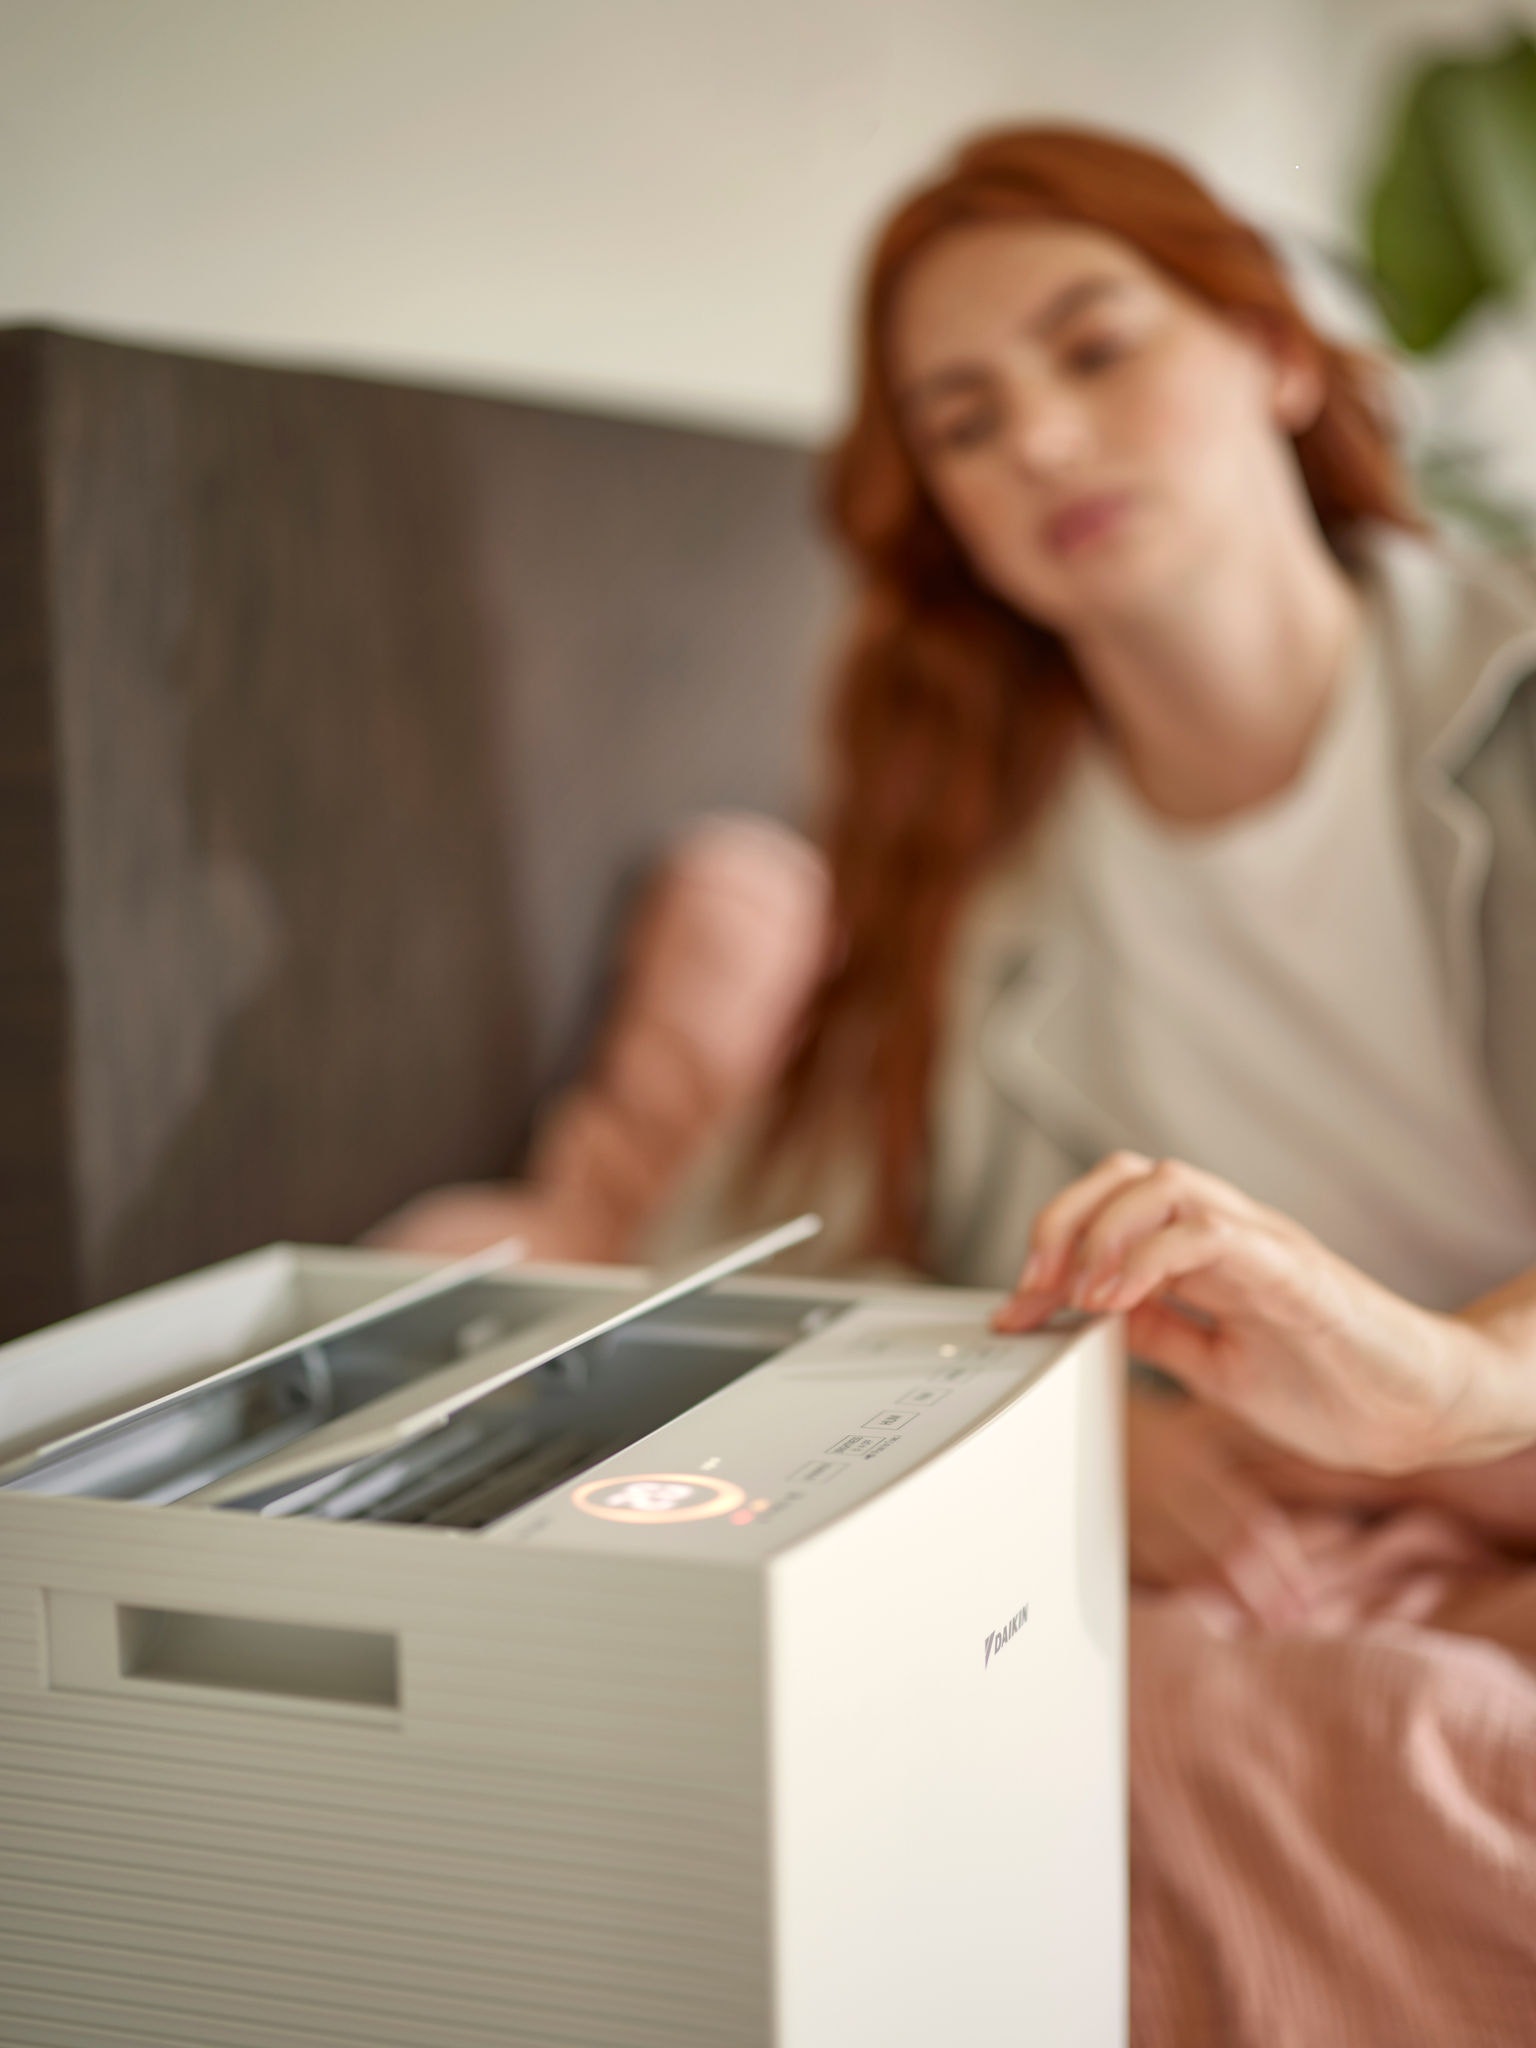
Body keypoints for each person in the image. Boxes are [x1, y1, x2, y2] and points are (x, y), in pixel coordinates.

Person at [380, 126, 1536, 2042]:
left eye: (1095, 351)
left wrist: (1457, 1383)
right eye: (966, 421)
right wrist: (1091, 1440)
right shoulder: (968, 866)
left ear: (1273, 351)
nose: (1047, 448)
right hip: (1280, 1535)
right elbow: (732, 1283)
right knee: (1162, 1734)